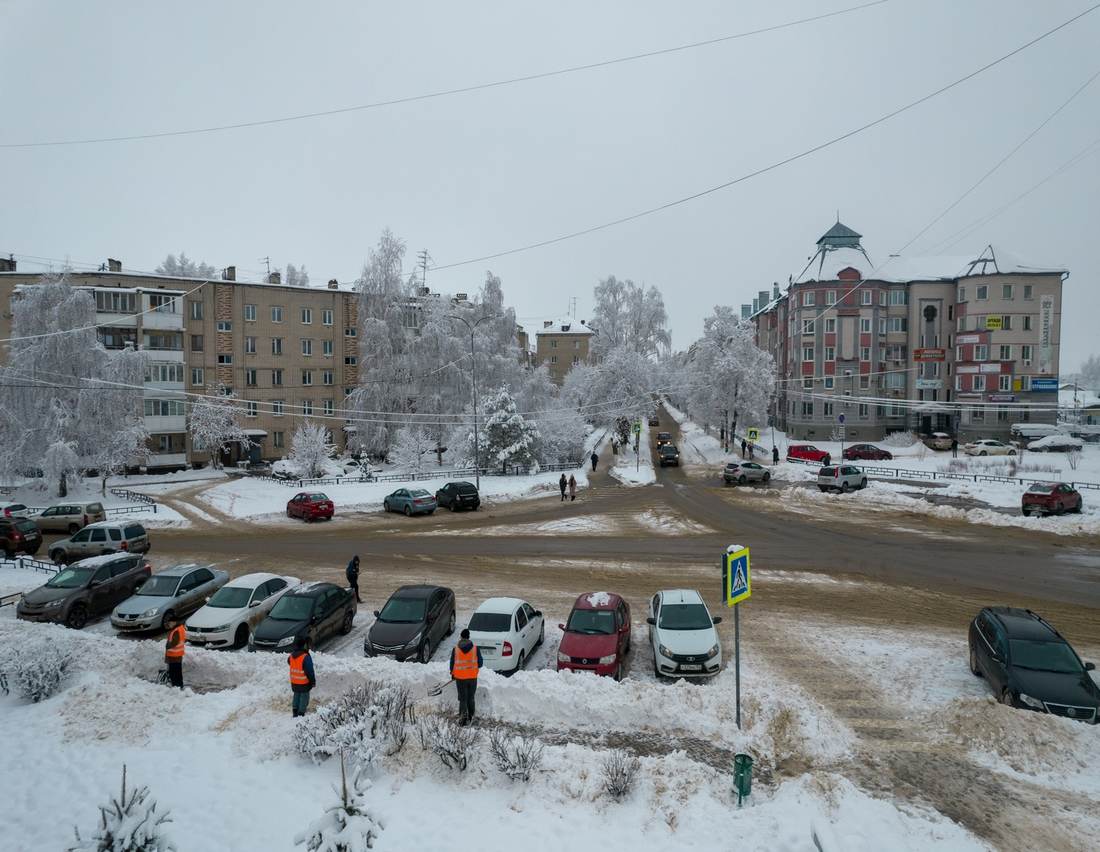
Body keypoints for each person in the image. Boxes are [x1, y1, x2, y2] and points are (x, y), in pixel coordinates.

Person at [449, 628, 483, 725]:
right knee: (471, 698)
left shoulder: (455, 649)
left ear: (461, 637)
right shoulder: (476, 649)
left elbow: (452, 663)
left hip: (460, 678)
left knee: (463, 699)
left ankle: (463, 720)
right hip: (472, 678)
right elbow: (480, 663)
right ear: (468, 637)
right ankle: (471, 717)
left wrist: (452, 674)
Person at [288, 634, 316, 717]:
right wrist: (312, 681)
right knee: (304, 697)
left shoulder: (292, 655)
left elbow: (289, 662)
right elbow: (310, 671)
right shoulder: (305, 657)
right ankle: (301, 713)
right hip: (304, 682)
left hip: (294, 681)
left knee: (296, 695)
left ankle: (295, 710)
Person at [164, 614, 186, 689]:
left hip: (174, 655)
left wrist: (168, 646)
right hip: (178, 655)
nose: (169, 624)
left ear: (174, 622)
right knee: (178, 671)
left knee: (174, 672)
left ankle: (176, 686)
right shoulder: (179, 628)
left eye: (170, 623)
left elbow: (175, 642)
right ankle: (179, 685)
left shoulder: (177, 630)